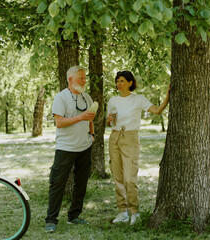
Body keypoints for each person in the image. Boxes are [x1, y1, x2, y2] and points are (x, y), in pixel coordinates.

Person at [107, 70, 170, 225]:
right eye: (117, 81)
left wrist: (168, 96)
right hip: (114, 137)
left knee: (129, 177)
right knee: (118, 177)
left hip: (130, 138)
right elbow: (110, 122)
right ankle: (122, 212)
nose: (118, 84)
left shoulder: (138, 99)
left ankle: (134, 212)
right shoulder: (113, 100)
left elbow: (157, 110)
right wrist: (108, 120)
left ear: (130, 82)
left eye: (122, 81)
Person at [44, 66, 96, 233]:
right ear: (70, 79)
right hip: (65, 148)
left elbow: (90, 119)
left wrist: (92, 135)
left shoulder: (86, 97)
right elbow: (59, 122)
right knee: (57, 183)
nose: (84, 81)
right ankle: (51, 220)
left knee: (81, 183)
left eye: (84, 78)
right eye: (81, 78)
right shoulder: (61, 97)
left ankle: (74, 215)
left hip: (84, 146)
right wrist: (80, 117)